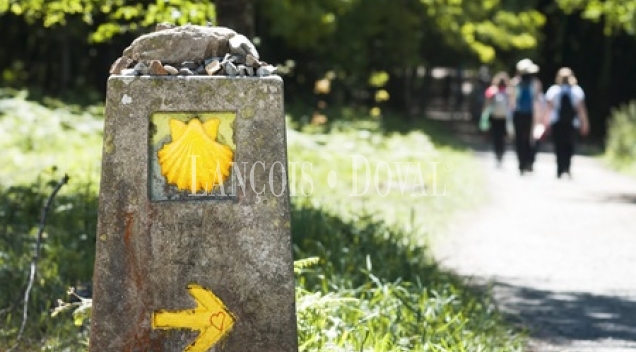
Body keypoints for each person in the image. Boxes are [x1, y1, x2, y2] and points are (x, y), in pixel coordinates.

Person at [545, 67, 589, 178]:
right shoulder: (577, 91)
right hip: (572, 123)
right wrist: (585, 123)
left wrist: (545, 122)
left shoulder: (553, 90)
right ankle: (567, 168)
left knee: (558, 146)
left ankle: (560, 169)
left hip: (557, 122)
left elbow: (549, 108)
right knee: (569, 146)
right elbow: (581, 109)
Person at [511, 59, 544, 175]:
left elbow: (512, 101)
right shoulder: (535, 83)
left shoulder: (516, 82)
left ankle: (523, 164)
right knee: (530, 140)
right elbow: (539, 100)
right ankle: (527, 162)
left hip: (522, 114)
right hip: (529, 114)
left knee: (521, 140)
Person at [479, 71, 511, 166]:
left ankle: (497, 153)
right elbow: (512, 105)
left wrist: (483, 114)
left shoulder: (491, 90)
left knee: (496, 136)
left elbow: (487, 104)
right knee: (502, 137)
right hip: (504, 117)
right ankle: (501, 153)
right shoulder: (509, 91)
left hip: (494, 116)